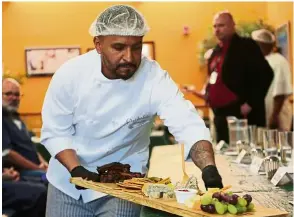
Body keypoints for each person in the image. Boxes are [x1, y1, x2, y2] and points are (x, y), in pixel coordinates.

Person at [41, 4, 223, 217]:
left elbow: (187, 123)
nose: (129, 57)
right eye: (118, 47)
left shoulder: (154, 78)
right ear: (98, 45)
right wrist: (76, 169)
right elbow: (55, 131)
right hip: (67, 184)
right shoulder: (70, 75)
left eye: (136, 47)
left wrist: (209, 170)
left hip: (124, 185)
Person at [184, 11, 273, 143]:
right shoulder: (215, 51)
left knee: (244, 155)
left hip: (241, 114)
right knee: (224, 157)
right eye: (214, 26)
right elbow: (214, 80)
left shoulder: (246, 46)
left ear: (232, 26)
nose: (217, 30)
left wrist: (251, 103)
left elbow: (266, 74)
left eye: (221, 25)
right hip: (220, 115)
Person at [2, 78, 48, 177]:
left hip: (36, 169)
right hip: (19, 172)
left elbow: (30, 146)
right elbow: (8, 154)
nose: (13, 98)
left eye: (17, 94)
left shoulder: (16, 117)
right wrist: (38, 169)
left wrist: (44, 164)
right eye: (8, 94)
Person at [252, 29, 293, 131]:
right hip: (263, 117)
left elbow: (280, 92)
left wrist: (274, 116)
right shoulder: (260, 61)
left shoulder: (279, 61)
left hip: (277, 116)